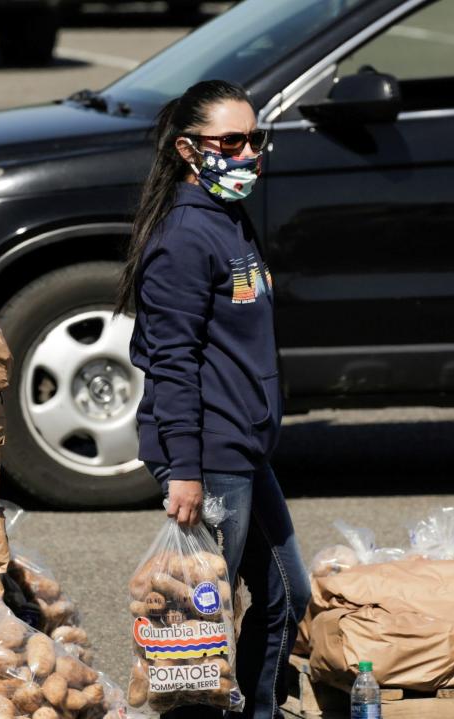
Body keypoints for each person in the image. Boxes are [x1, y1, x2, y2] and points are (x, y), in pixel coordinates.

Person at [118, 79, 311, 719]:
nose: (249, 152)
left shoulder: (230, 221)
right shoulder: (181, 239)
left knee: (287, 593)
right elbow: (170, 363)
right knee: (195, 618)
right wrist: (185, 470)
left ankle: (258, 710)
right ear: (188, 150)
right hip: (210, 450)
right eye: (231, 140)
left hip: (246, 445)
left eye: (255, 139)